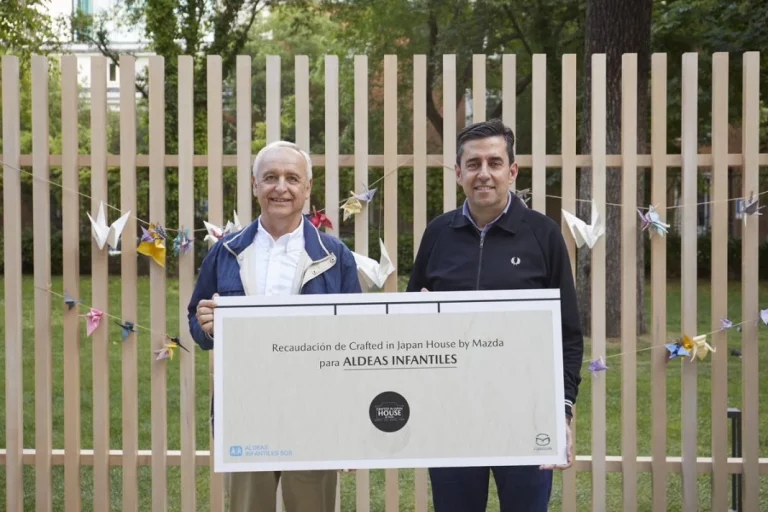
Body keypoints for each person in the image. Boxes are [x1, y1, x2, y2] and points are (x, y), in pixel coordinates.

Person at [406, 119, 584, 512]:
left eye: (494, 162)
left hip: (526, 413)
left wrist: (563, 409)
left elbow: (567, 334)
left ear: (512, 171)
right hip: (451, 414)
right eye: (473, 164)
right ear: (458, 172)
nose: (483, 173)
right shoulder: (437, 235)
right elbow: (411, 324)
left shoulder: (543, 234)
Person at [187, 140, 362, 512]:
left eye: (291, 178)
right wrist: (206, 325)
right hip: (247, 409)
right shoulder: (227, 251)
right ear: (255, 185)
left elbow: (355, 337)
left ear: (307, 188)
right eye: (270, 177)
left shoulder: (334, 256)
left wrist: (348, 424)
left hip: (315, 412)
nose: (280, 187)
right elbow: (195, 318)